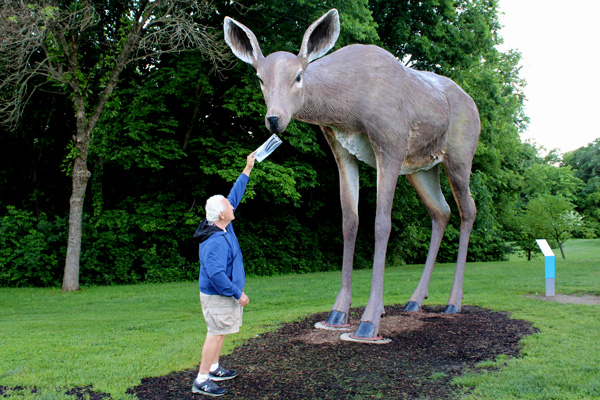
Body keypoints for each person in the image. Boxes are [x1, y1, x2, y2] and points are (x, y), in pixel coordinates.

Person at [191, 152, 256, 396]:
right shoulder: (215, 240)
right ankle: (201, 379)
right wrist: (237, 293)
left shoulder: (222, 224)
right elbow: (216, 275)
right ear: (221, 214)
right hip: (218, 294)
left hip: (223, 295)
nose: (232, 205)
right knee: (215, 333)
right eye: (228, 206)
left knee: (220, 333)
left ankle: (215, 367)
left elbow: (235, 196)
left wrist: (247, 169)